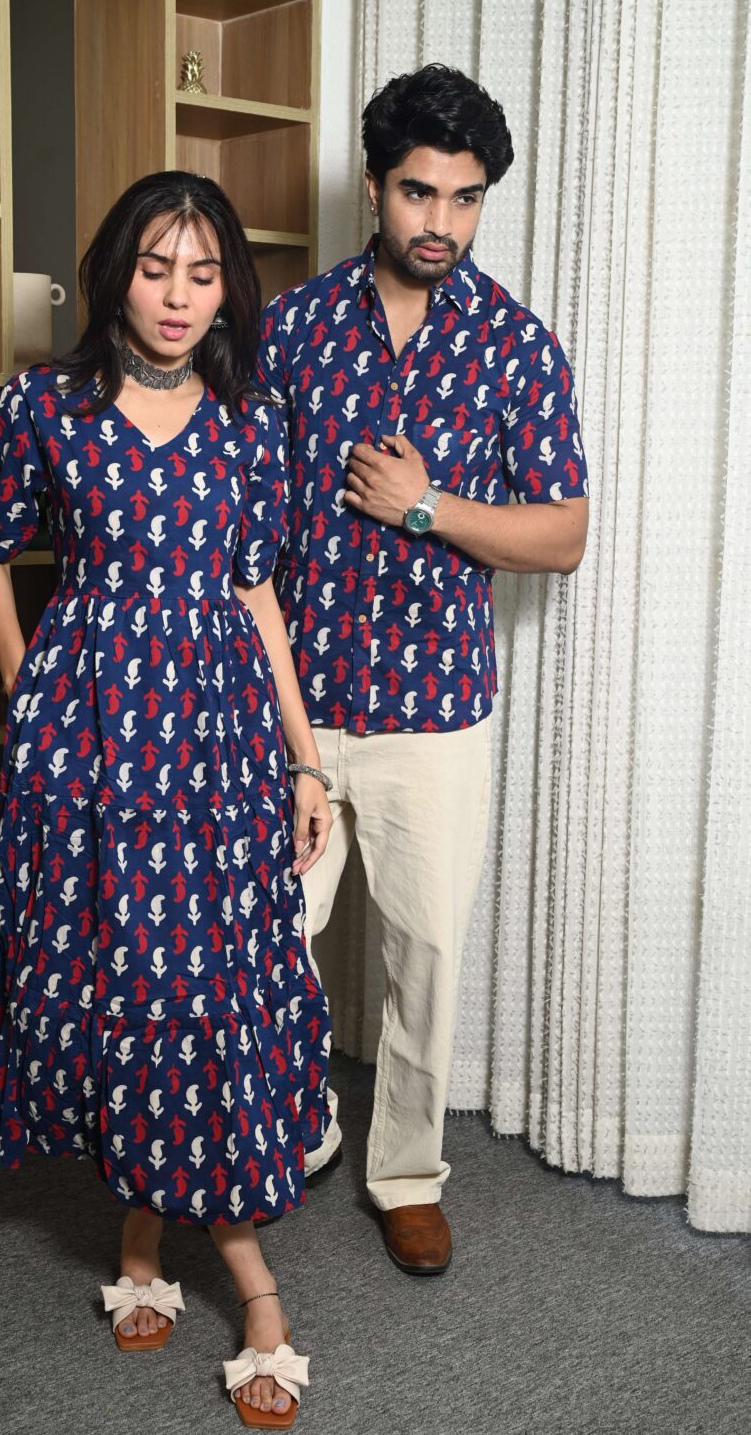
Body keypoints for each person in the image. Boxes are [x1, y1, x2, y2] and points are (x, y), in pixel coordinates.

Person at [0, 171, 336, 1425]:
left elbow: (256, 594)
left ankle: (212, 1264)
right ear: (114, 275)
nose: (177, 297)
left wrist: (303, 761)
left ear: (229, 288)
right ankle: (159, 1248)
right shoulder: (43, 407)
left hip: (218, 743)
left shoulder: (254, 423)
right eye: (153, 268)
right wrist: (29, 695)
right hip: (93, 737)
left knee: (207, 986)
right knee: (124, 976)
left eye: (203, 273)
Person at [258, 63, 589, 1274]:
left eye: (463, 197)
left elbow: (561, 534)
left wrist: (425, 506)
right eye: (417, 191)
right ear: (372, 185)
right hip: (292, 708)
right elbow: (242, 517)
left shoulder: (514, 347)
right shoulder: (289, 330)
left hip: (431, 712)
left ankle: (404, 1174)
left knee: (426, 961)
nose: (438, 220)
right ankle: (293, 1127)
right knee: (263, 935)